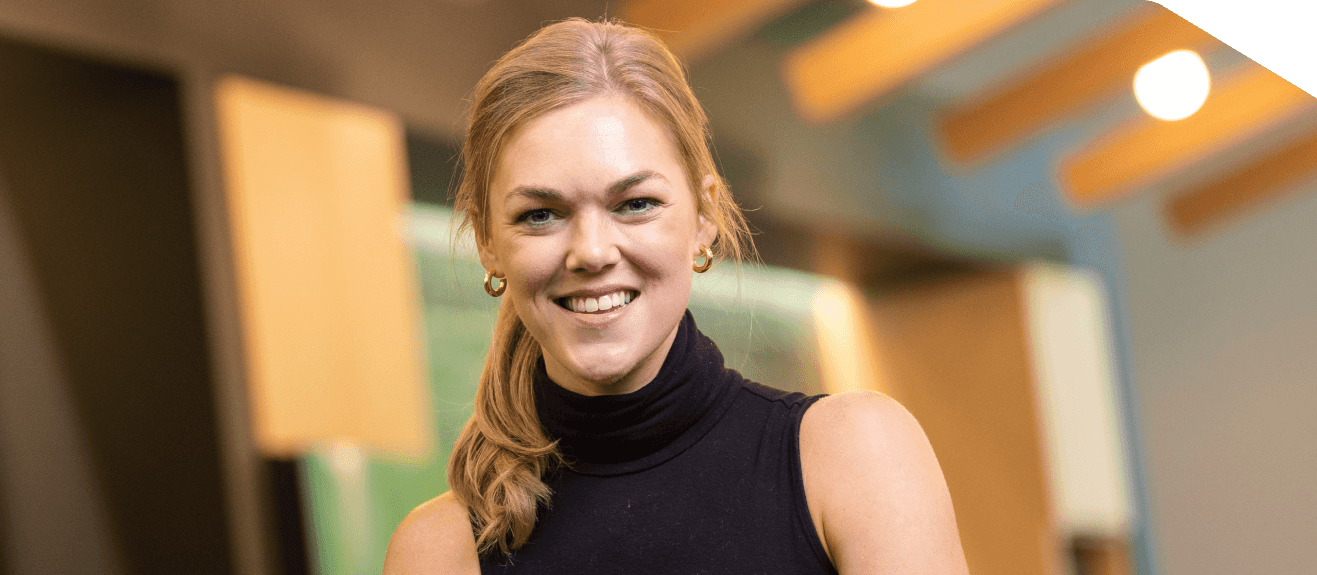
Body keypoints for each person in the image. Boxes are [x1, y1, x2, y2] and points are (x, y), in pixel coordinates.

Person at [383, 17, 969, 574]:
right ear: (488, 242)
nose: (591, 251)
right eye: (540, 214)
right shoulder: (436, 551)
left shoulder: (855, 456)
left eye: (635, 204)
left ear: (704, 217)